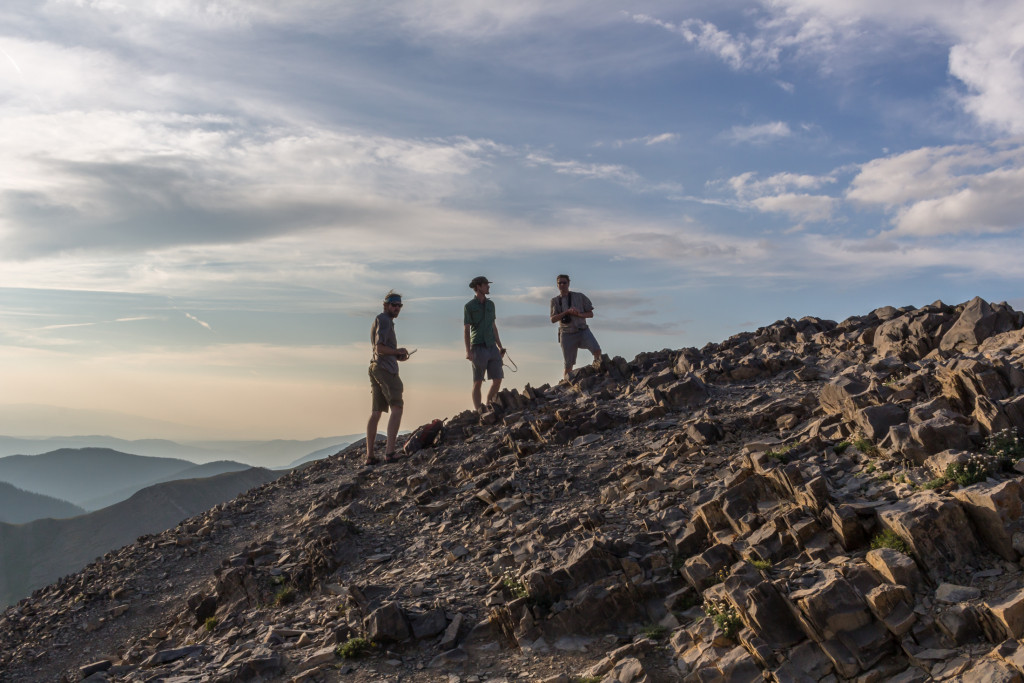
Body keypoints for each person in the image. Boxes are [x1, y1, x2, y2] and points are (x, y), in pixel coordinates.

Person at [366, 290, 410, 465]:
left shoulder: (382, 320)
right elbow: (380, 348)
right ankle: (390, 453)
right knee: (397, 407)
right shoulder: (384, 320)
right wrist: (397, 352)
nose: (397, 308)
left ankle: (370, 456)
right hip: (386, 369)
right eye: (394, 305)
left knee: (376, 412)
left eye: (399, 305)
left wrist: (396, 355)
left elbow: (381, 350)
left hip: (375, 366)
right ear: (385, 305)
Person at [549, 274, 602, 380]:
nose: (562, 285)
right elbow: (553, 319)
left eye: (564, 282)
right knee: (568, 365)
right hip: (566, 333)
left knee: (597, 351)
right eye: (560, 283)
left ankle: (599, 372)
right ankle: (565, 385)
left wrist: (579, 314)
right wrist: (566, 312)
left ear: (569, 283)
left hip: (582, 330)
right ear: (557, 285)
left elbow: (590, 314)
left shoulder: (579, 296)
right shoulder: (555, 301)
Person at [464, 276, 505, 411]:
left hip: (491, 346)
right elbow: (467, 328)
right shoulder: (469, 306)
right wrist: (468, 351)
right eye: (486, 284)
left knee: (498, 378)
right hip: (477, 346)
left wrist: (500, 345)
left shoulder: (491, 305)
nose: (488, 287)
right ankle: (478, 411)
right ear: (478, 287)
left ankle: (488, 405)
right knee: (478, 381)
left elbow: (493, 326)